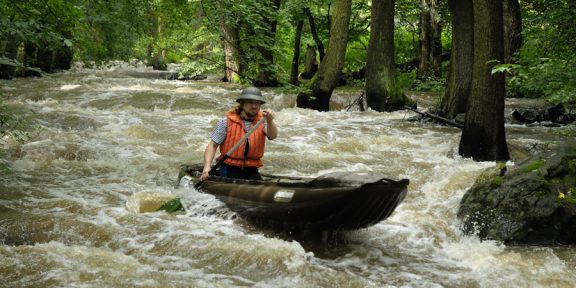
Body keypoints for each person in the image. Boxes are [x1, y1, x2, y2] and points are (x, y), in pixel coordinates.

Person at [200, 87, 277, 181]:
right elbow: (213, 145)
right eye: (250, 102)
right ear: (242, 104)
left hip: (251, 169)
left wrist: (270, 120)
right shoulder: (226, 122)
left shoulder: (263, 121)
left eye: (257, 103)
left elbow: (272, 136)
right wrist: (207, 167)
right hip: (229, 167)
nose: (254, 106)